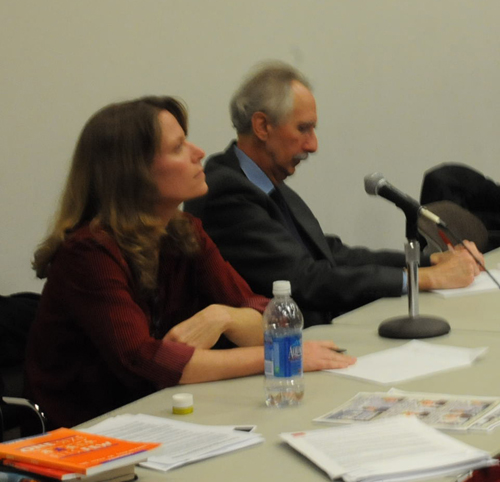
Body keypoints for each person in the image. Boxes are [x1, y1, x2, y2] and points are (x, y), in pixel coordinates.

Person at [25, 96, 355, 428]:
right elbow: (147, 360)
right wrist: (279, 357)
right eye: (178, 147)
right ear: (135, 173)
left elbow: (263, 316)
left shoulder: (183, 232)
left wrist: (224, 316)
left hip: (161, 417)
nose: (198, 153)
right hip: (83, 436)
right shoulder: (90, 254)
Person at [184, 62, 483, 327]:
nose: (313, 145)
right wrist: (424, 280)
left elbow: (331, 254)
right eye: (303, 129)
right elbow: (303, 279)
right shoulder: (225, 191)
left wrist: (428, 263)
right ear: (262, 126)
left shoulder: (263, 181)